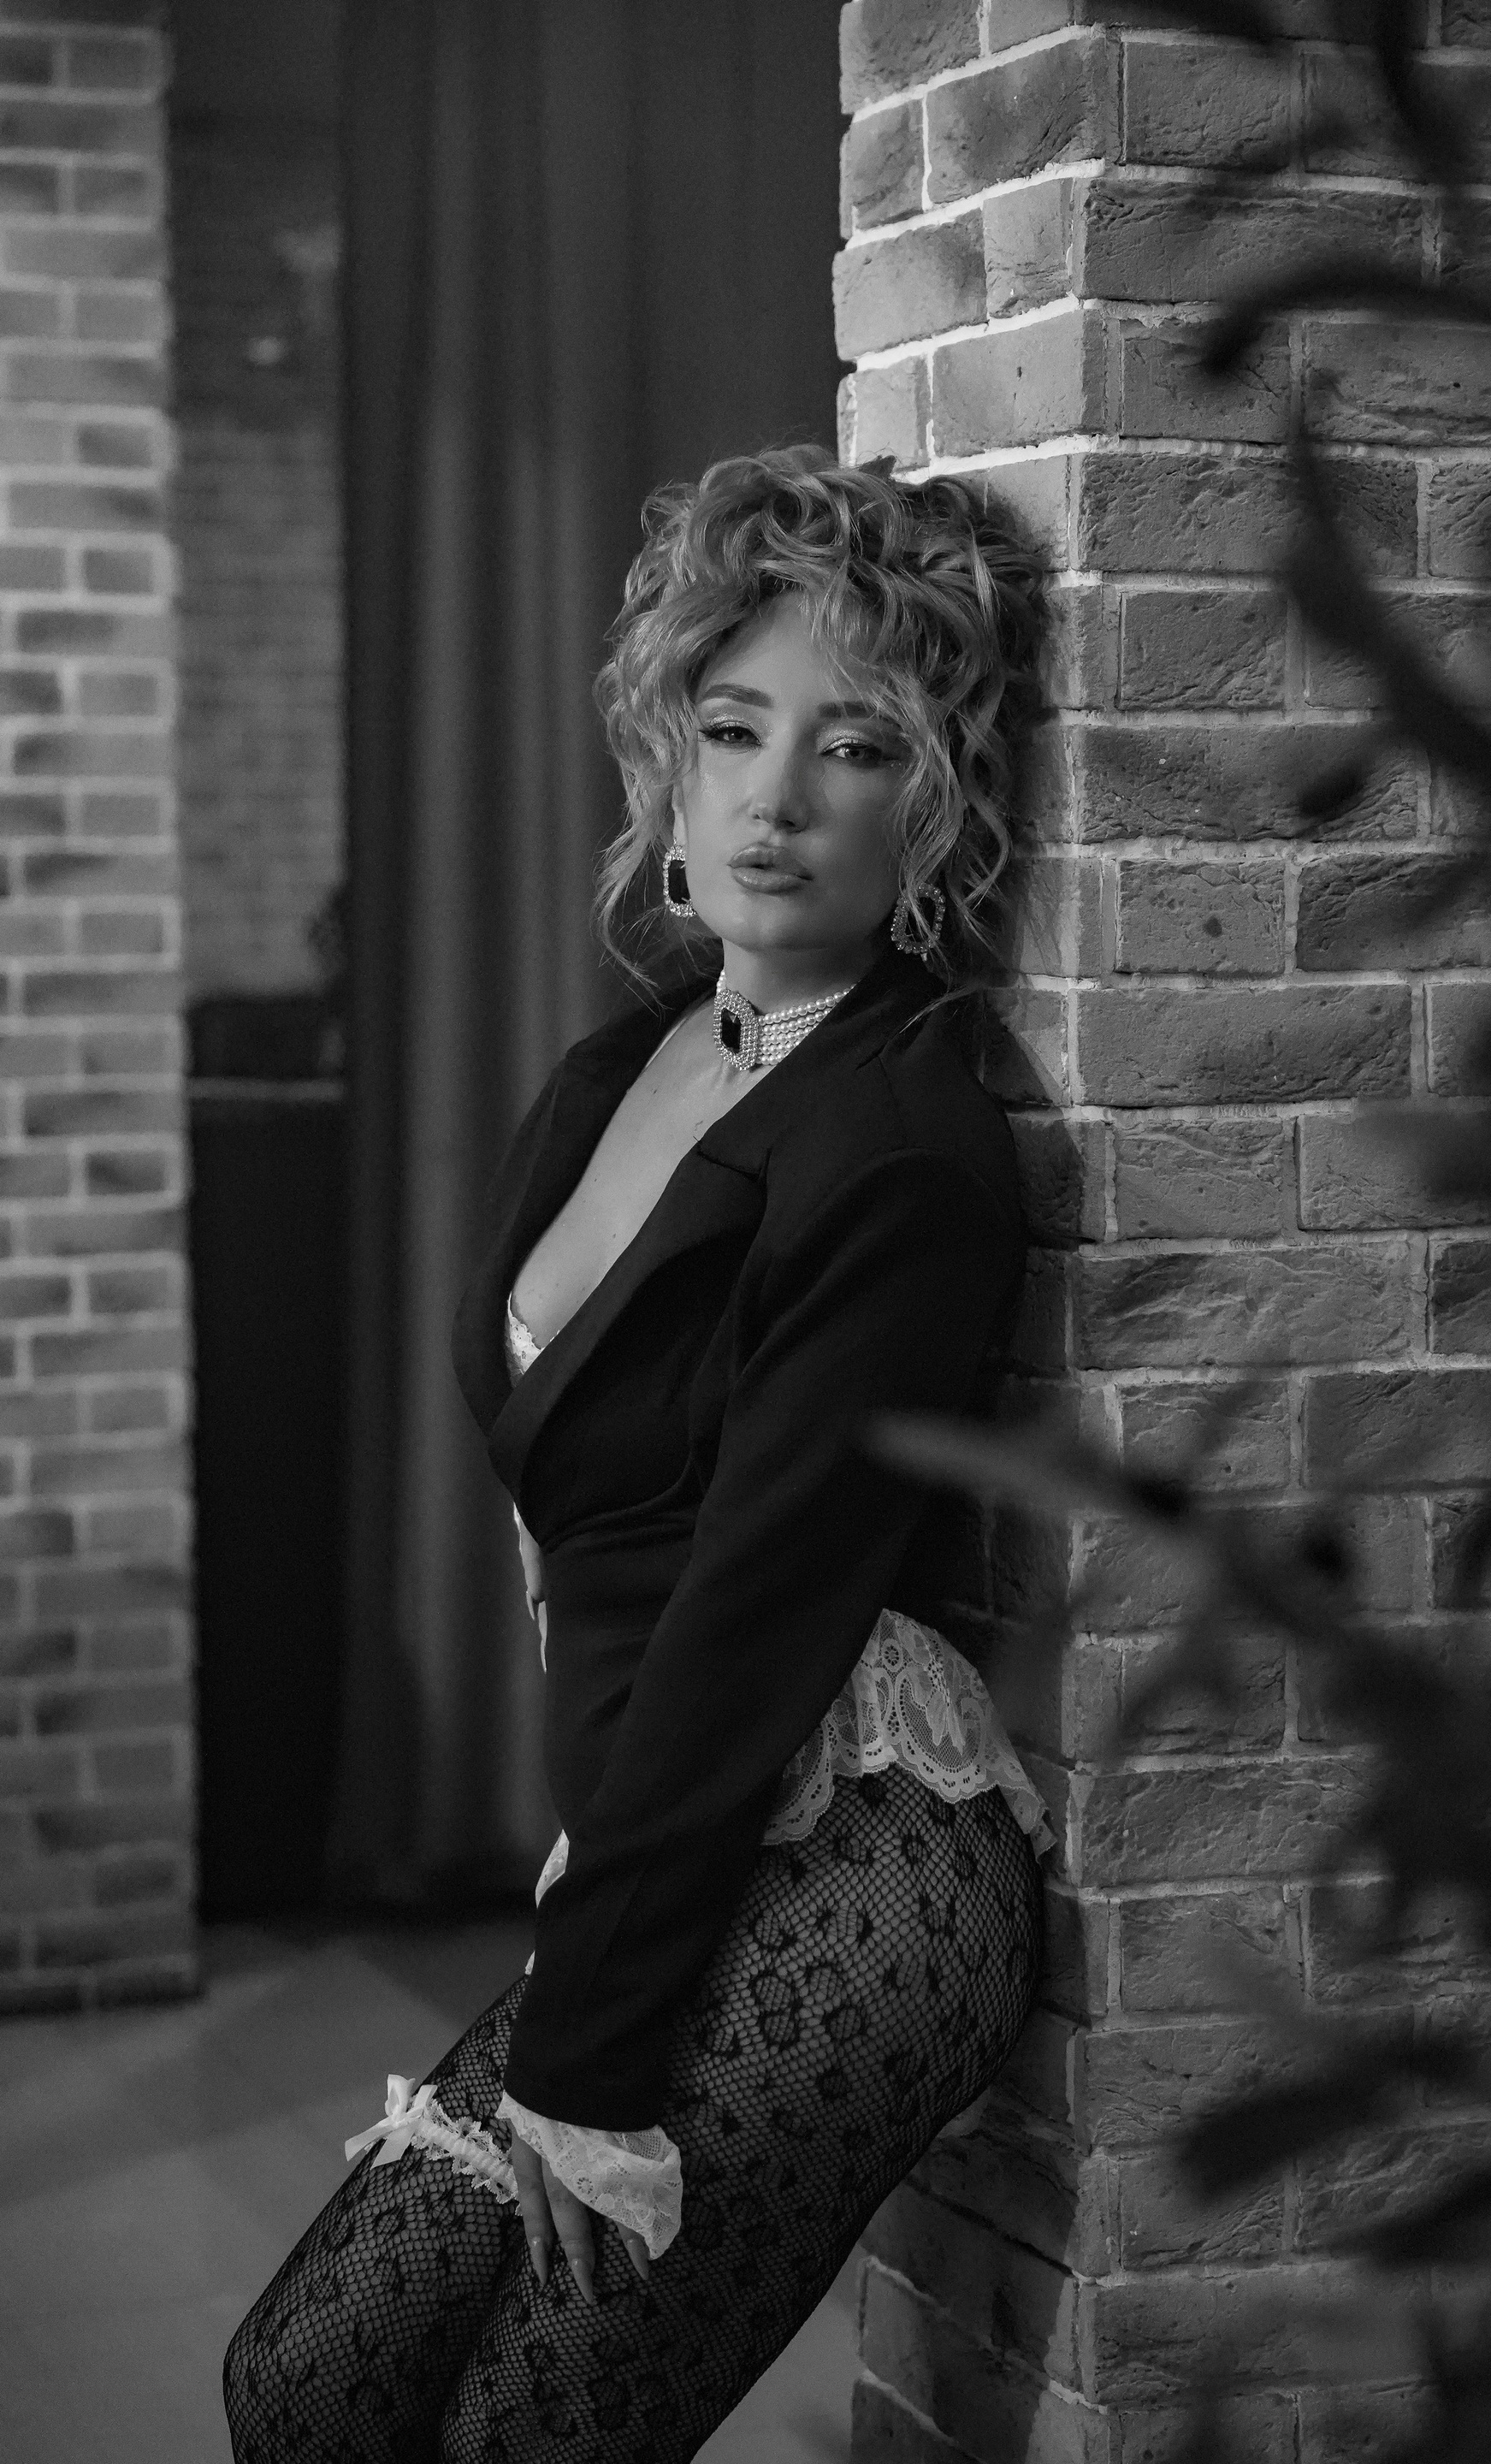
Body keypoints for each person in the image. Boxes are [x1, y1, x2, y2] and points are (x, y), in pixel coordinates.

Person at [224, 446, 1054, 2461]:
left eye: (855, 746)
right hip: (667, 1832)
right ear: (667, 757)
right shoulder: (626, 1060)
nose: (778, 801)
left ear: (933, 800)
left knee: (524, 2432)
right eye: (736, 728)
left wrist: (586, 2059)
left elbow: (754, 1623)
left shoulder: (901, 1142)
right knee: (308, 2379)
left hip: (855, 1858)